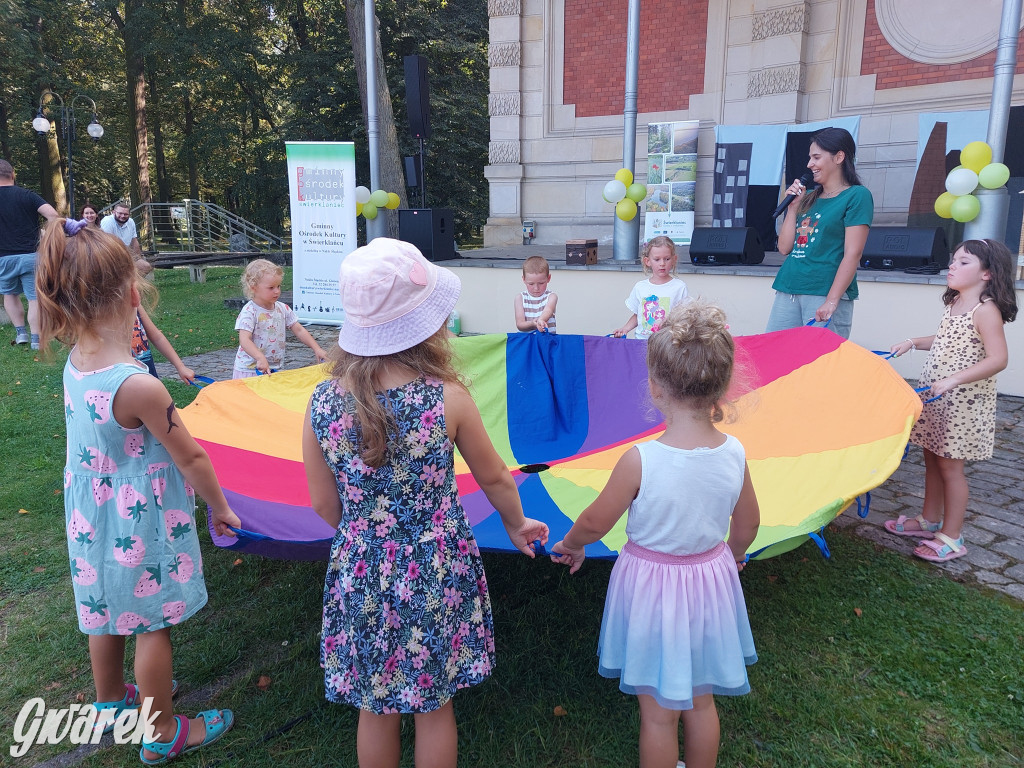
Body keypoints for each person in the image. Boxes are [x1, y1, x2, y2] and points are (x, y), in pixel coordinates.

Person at [302, 238, 549, 768]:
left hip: (362, 567)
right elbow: (497, 480)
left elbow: (324, 504)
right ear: (428, 326)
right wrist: (517, 523)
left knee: (376, 707)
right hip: (436, 568)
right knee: (434, 706)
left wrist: (368, 533)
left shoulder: (322, 401)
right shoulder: (447, 399)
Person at [34, 218, 239, 763]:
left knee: (103, 608)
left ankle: (109, 704)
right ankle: (163, 730)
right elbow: (190, 455)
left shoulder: (77, 364)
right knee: (153, 621)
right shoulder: (138, 384)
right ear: (132, 293)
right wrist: (220, 507)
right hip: (138, 523)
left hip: (91, 519)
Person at [552, 299, 760, 768]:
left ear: (654, 387)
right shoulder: (735, 453)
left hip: (652, 589)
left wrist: (571, 545)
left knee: (659, 716)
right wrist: (736, 556)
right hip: (710, 582)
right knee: (702, 701)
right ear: (724, 387)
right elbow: (747, 523)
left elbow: (594, 521)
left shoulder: (640, 459)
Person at [883, 239, 1017, 563]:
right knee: (931, 458)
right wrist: (913, 342)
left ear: (987, 273)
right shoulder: (955, 302)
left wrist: (954, 379)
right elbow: (945, 339)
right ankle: (929, 519)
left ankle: (952, 536)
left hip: (962, 404)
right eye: (953, 260)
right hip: (938, 399)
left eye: (964, 262)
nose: (952, 266)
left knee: (950, 468)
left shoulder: (986, 310)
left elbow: (999, 358)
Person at [766, 127, 873, 340]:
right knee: (777, 356)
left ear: (839, 157)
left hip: (824, 291)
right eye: (809, 158)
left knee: (818, 364)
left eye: (816, 157)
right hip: (789, 287)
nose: (809, 164)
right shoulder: (809, 197)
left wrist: (832, 300)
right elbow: (785, 247)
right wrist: (793, 207)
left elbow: (853, 253)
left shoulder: (857, 196)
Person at [232, 258, 327, 378]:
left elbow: (299, 329)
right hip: (250, 370)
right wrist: (259, 357)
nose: (277, 291)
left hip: (274, 369)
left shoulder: (283, 309)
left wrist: (316, 348)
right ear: (253, 287)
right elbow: (245, 339)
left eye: (278, 286)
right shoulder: (250, 311)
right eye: (271, 288)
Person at [0, 159, 59, 349]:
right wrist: (47, 238)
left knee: (9, 294)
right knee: (34, 297)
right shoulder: (27, 195)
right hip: (31, 256)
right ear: (13, 174)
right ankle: (36, 339)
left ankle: (21, 334)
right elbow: (53, 215)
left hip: (3, 258)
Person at [612, 236, 689, 339]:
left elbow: (685, 318)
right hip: (641, 343)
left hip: (667, 345)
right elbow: (638, 315)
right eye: (657, 259)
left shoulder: (679, 287)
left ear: (674, 259)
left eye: (667, 259)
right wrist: (625, 329)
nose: (662, 263)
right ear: (647, 261)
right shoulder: (640, 287)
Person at [132, 307, 197, 384]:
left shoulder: (135, 304)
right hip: (123, 382)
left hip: (149, 377)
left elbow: (157, 337)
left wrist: (181, 367)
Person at [101, 201, 153, 277]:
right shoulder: (107, 221)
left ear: (129, 214)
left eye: (126, 214)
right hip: (110, 257)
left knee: (145, 266)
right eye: (120, 213)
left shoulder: (131, 222)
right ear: (113, 212)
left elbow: (134, 241)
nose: (123, 216)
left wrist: (138, 258)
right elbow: (109, 244)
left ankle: (133, 286)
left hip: (127, 255)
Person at [514, 254, 558, 332]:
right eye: (531, 284)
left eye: (541, 283)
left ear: (548, 278)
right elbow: (520, 324)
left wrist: (541, 320)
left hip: (547, 342)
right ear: (524, 279)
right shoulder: (520, 298)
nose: (536, 288)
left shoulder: (551, 296)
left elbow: (548, 310)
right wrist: (533, 324)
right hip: (527, 342)